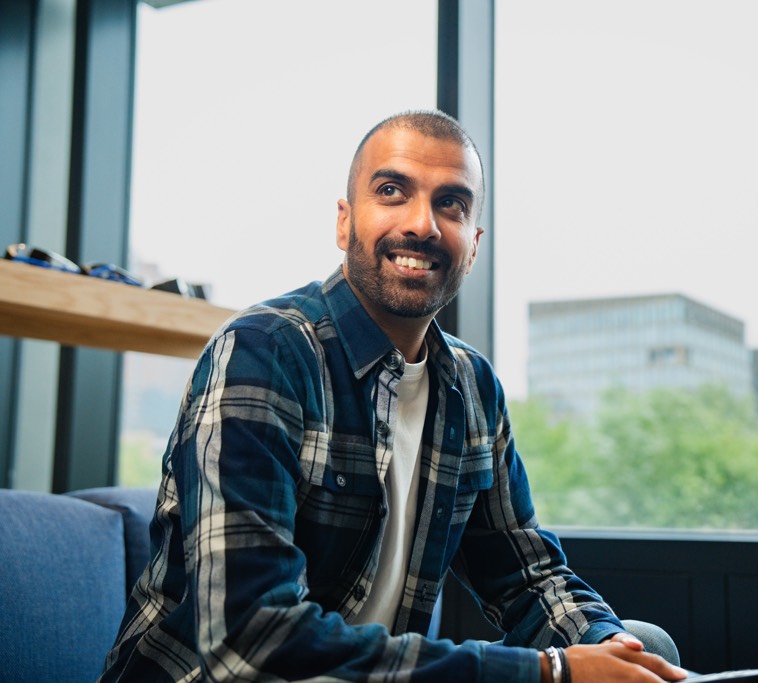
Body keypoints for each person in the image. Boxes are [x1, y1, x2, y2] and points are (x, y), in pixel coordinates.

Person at [99, 110, 688, 683]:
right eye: (392, 191)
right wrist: (550, 671)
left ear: (473, 243)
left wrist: (608, 647)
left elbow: (527, 575)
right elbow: (250, 640)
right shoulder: (264, 352)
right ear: (344, 221)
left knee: (643, 649)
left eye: (450, 204)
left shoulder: (471, 388)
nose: (422, 225)